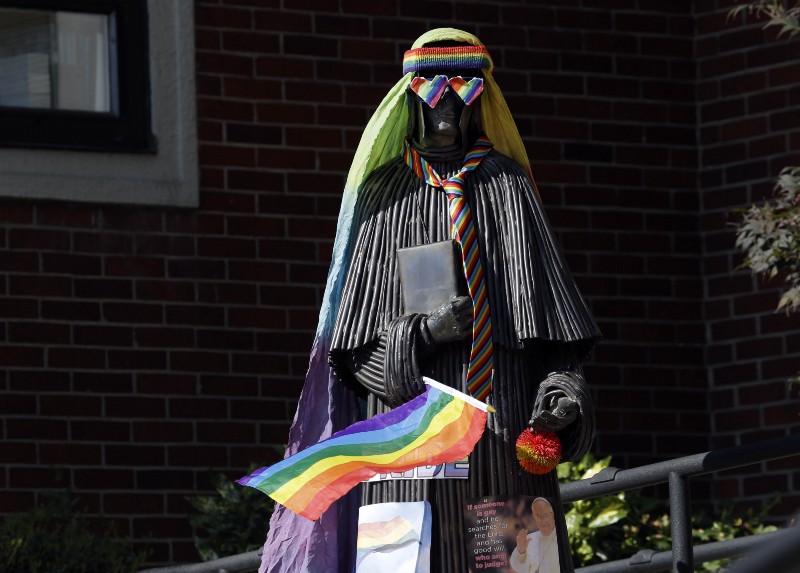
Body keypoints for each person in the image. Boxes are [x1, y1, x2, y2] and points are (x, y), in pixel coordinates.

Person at [257, 28, 600, 573]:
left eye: (463, 97)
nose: (448, 115)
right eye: (434, 97)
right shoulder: (383, 197)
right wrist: (421, 332)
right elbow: (350, 356)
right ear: (411, 102)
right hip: (408, 452)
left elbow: (559, 341)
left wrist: (563, 396)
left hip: (501, 440)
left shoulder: (510, 188)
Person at [510, 498, 560, 573]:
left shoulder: (561, 535)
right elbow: (519, 568)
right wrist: (521, 552)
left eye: (545, 515)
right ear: (534, 517)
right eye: (538, 516)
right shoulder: (529, 539)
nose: (542, 520)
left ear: (552, 515)